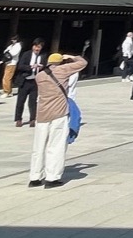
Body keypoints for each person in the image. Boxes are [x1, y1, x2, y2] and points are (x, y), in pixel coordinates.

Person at [26, 50, 89, 187]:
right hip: (58, 113)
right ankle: (52, 177)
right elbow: (83, 62)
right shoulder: (62, 70)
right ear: (60, 62)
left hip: (42, 114)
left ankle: (35, 177)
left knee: (39, 147)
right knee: (56, 146)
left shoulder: (40, 75)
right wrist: (71, 56)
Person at [14, 39, 45, 126]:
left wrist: (42, 66)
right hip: (25, 80)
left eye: (39, 47)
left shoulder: (42, 56)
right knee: (20, 101)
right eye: (35, 46)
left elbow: (46, 66)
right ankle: (18, 119)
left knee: (33, 101)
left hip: (35, 81)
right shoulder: (26, 54)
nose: (36, 49)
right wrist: (31, 67)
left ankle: (32, 119)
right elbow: (20, 66)